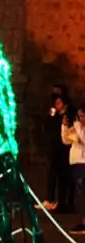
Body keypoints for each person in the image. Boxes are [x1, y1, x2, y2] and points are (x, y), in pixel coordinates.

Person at [40, 90, 75, 214]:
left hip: (64, 151)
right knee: (54, 175)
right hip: (55, 149)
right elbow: (48, 126)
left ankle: (64, 203)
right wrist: (50, 116)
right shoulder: (55, 116)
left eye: (59, 103)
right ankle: (54, 201)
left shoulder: (68, 117)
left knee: (65, 178)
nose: (56, 105)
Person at [62, 105, 85, 234]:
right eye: (79, 116)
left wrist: (78, 126)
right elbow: (66, 140)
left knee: (82, 194)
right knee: (80, 194)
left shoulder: (81, 128)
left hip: (83, 163)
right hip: (76, 163)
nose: (80, 119)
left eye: (82, 116)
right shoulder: (78, 127)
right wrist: (65, 126)